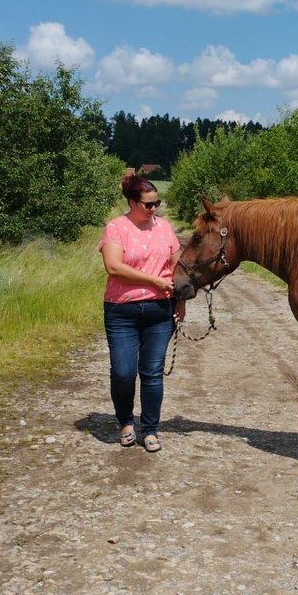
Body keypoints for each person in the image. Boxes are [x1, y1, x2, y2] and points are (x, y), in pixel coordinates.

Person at [98, 171, 184, 450]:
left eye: (156, 203)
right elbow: (113, 266)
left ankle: (150, 429)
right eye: (148, 204)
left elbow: (177, 266)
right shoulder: (116, 228)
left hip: (160, 310)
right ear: (133, 203)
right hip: (121, 310)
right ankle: (125, 422)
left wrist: (180, 300)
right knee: (123, 372)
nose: (154, 209)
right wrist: (153, 280)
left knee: (152, 372)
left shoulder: (164, 228)